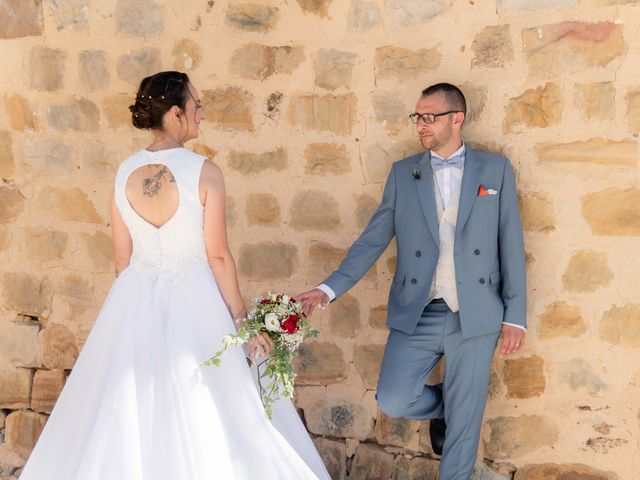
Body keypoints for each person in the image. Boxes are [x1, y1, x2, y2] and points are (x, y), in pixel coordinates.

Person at [21, 71, 330, 480]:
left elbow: (121, 259)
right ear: (174, 113)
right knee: (211, 403)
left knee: (128, 402)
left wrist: (133, 302)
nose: (201, 115)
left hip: (134, 296)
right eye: (196, 106)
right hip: (194, 297)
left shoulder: (123, 172)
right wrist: (241, 319)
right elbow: (218, 255)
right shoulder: (205, 171)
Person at [299, 83, 527, 480]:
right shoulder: (404, 173)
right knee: (394, 397)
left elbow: (511, 242)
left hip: (476, 312)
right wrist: (328, 288)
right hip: (419, 308)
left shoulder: (495, 170)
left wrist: (515, 315)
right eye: (417, 117)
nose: (420, 124)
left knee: (464, 430)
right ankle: (447, 406)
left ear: (457, 118)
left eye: (430, 116)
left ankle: (458, 418)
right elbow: (372, 239)